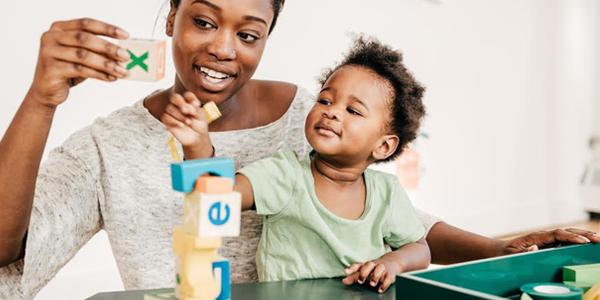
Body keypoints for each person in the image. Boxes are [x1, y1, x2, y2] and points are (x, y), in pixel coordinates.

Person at [0, 0, 598, 298]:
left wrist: (505, 250)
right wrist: (41, 99)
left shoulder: (313, 124)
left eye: (249, 33)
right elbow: (8, 257)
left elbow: (398, 224)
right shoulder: (109, 145)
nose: (223, 50)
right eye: (203, 21)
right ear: (171, 19)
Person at [163, 37, 431, 293]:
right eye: (325, 100)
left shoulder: (387, 192)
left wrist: (392, 263)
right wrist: (196, 142)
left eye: (353, 111)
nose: (332, 111)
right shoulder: (285, 174)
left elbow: (420, 248)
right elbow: (217, 196)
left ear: (383, 146)